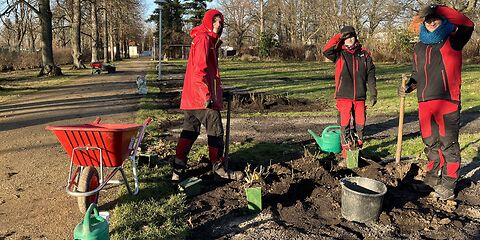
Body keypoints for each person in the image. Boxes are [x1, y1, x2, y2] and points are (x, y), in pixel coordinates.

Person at [399, 4, 474, 200]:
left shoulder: (454, 39)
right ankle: (432, 178)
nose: (431, 22)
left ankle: (449, 183)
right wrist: (409, 86)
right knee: (430, 143)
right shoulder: (419, 46)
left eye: (435, 18)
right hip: (424, 101)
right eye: (428, 19)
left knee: (448, 144)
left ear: (442, 19)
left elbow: (468, 24)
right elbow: (417, 75)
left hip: (447, 100)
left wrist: (438, 8)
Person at [171, 9, 244, 182]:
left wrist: (218, 92)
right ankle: (218, 168)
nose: (218, 25)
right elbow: (199, 71)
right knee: (216, 130)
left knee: (189, 132)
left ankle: (177, 170)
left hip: (192, 98)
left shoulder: (207, 40)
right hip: (201, 97)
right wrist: (207, 95)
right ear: (207, 22)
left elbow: (208, 72)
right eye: (215, 21)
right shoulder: (204, 39)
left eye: (220, 22)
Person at [322, 26, 377, 160]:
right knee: (344, 124)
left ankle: (358, 148)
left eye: (351, 36)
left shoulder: (364, 54)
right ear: (343, 40)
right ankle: (347, 154)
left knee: (360, 123)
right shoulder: (339, 53)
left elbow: (370, 74)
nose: (349, 39)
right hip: (343, 95)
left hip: (360, 96)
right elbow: (326, 50)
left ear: (356, 37)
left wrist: (373, 92)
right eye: (346, 38)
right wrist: (339, 36)